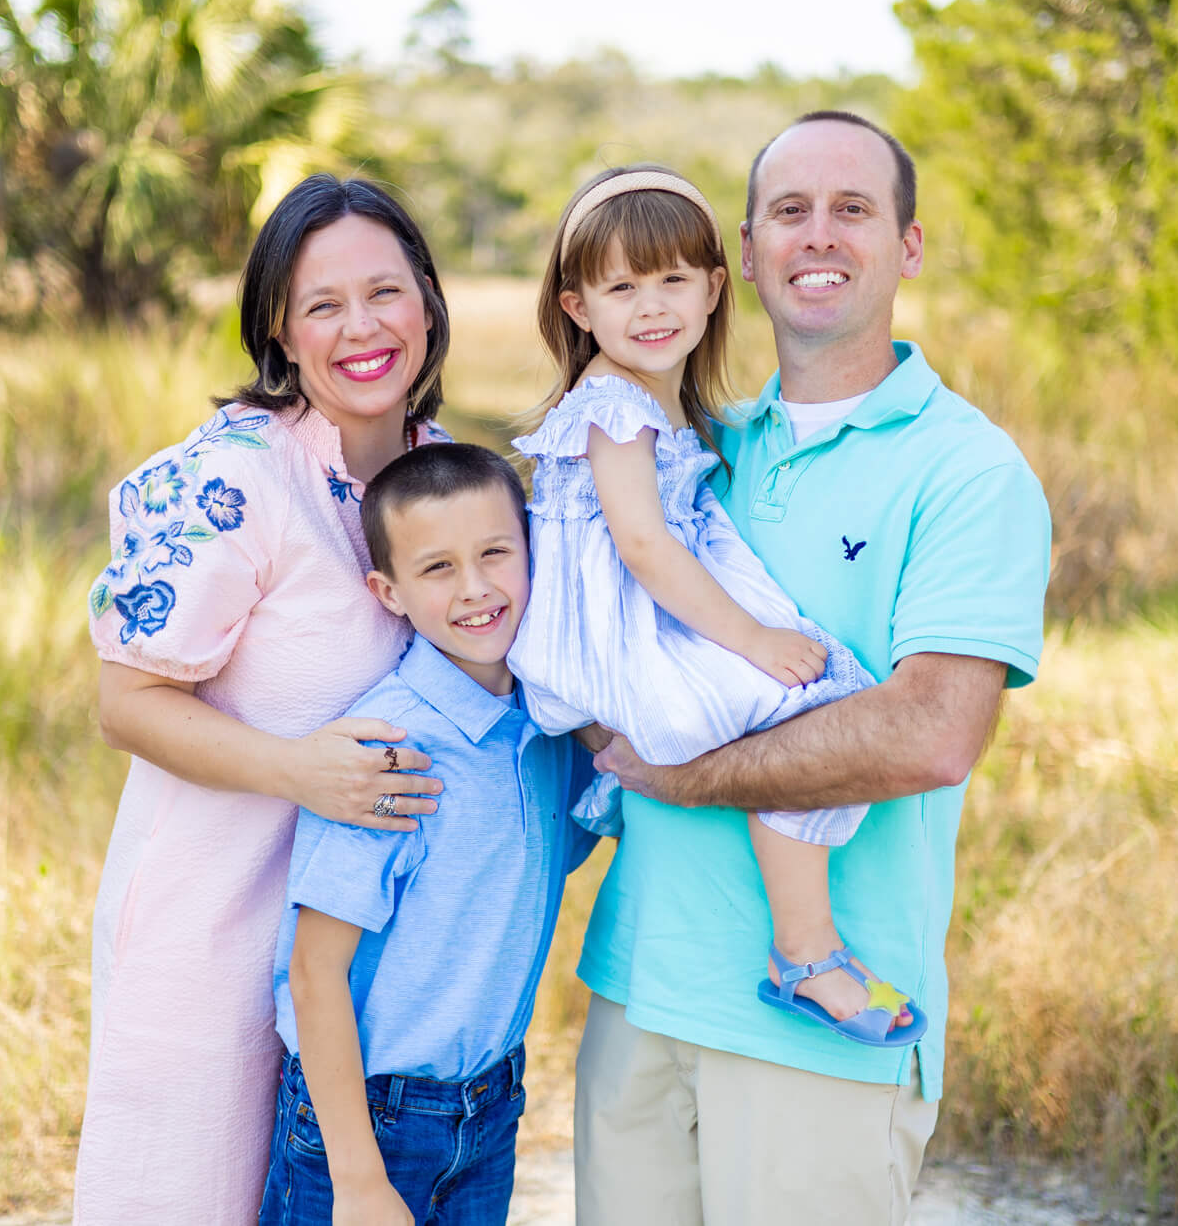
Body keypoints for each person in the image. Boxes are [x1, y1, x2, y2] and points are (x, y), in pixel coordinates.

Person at [571, 113, 1053, 1226]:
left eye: (852, 210)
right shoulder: (693, 453)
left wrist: (682, 772)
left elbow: (930, 731)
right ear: (744, 252)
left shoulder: (965, 469)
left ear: (908, 246)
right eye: (788, 211)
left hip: (817, 1036)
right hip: (640, 996)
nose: (817, 236)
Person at [76, 175, 457, 1223]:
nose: (361, 328)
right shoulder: (231, 478)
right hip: (211, 941)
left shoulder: (441, 480)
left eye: (384, 292)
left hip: (366, 966)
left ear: (426, 300)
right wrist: (298, 771)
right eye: (321, 305)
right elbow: (128, 702)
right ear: (280, 332)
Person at [507, 163, 925, 1046]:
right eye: (622, 287)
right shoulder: (616, 404)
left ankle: (804, 946)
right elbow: (644, 546)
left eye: (671, 280)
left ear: (711, 288)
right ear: (579, 307)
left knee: (820, 707)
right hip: (621, 639)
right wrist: (755, 638)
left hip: (632, 627)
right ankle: (806, 954)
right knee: (804, 712)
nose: (651, 306)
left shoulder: (665, 405)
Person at [260, 443, 597, 1226]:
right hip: (368, 1117)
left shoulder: (544, 723)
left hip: (491, 1102)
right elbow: (316, 972)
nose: (476, 588)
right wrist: (358, 1179)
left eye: (494, 554)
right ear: (390, 591)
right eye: (438, 568)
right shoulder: (392, 750)